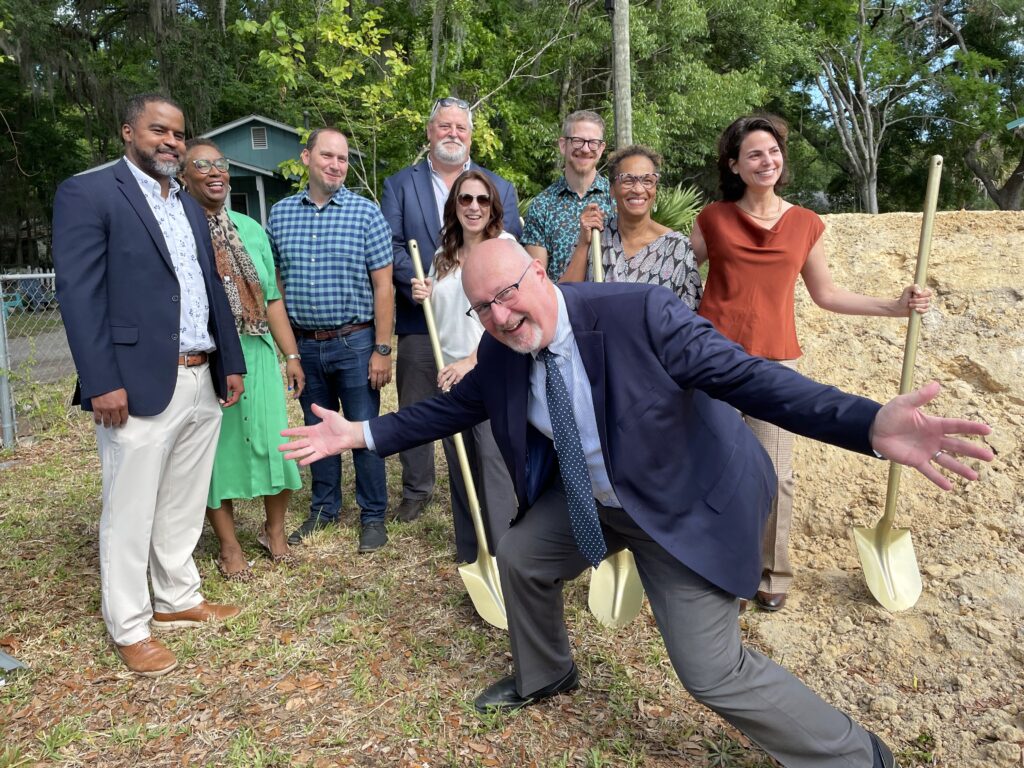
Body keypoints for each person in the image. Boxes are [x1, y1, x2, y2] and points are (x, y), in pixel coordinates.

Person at [280, 238, 992, 768]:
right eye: (483, 307)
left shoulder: (640, 314)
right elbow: (450, 410)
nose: (500, 315)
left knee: (713, 672)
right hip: (599, 500)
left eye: (509, 294)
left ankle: (856, 755)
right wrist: (361, 432)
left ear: (540, 271)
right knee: (522, 556)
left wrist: (866, 423)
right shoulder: (500, 350)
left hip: (684, 507)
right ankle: (548, 671)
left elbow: (751, 380)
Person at [691, 114, 932, 613]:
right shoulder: (711, 219)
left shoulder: (805, 223)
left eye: (773, 151)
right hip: (709, 362)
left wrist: (894, 304)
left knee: (775, 474)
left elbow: (826, 294)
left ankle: (772, 572)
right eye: (754, 154)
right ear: (735, 165)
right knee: (712, 470)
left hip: (772, 367)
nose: (766, 160)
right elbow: (671, 270)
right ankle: (719, 571)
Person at [52, 93, 246, 677]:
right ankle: (130, 625)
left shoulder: (186, 202)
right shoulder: (88, 193)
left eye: (179, 134)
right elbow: (79, 294)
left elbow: (210, 287)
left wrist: (228, 359)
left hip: (198, 372)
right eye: (158, 131)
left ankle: (177, 597)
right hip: (134, 384)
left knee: (183, 499)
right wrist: (100, 379)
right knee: (130, 509)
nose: (170, 142)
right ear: (127, 132)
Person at [381, 97, 522, 524]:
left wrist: (477, 357)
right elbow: (390, 247)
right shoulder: (401, 187)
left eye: (461, 128)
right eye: (445, 126)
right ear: (429, 132)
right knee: (426, 414)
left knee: (488, 442)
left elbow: (506, 268)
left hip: (485, 342)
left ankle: (502, 523)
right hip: (424, 323)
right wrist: (414, 279)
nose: (453, 134)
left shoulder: (500, 187)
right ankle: (420, 491)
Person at [180, 138, 304, 580]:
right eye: (202, 165)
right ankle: (229, 546)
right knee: (219, 453)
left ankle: (275, 533)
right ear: (183, 174)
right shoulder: (179, 228)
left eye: (221, 164)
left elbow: (271, 297)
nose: (215, 172)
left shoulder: (250, 229)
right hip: (212, 356)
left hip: (258, 350)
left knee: (278, 443)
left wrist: (291, 354)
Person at [266, 127, 394, 554]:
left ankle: (373, 515)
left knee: (362, 432)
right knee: (317, 430)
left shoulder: (365, 213)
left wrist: (381, 348)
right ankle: (323, 508)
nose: (336, 165)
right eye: (327, 156)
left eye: (342, 158)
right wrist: (290, 354)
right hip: (305, 344)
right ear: (306, 158)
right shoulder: (281, 215)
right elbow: (276, 288)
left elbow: (384, 287)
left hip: (355, 344)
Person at [409, 170, 517, 562]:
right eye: (465, 199)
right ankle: (472, 555)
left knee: (493, 466)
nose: (474, 207)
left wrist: (473, 360)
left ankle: (507, 555)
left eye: (482, 200)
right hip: (449, 374)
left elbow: (510, 316)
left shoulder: (505, 247)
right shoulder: (442, 255)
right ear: (454, 205)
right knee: (461, 468)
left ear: (493, 207)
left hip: (488, 370)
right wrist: (427, 293)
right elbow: (449, 316)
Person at [559, 145, 702, 310]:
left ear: (655, 188)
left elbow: (690, 318)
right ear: (612, 189)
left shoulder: (677, 248)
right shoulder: (596, 236)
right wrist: (584, 244)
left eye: (647, 180)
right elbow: (564, 299)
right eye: (627, 180)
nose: (638, 189)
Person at [521, 110, 614, 281]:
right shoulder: (542, 205)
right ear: (563, 145)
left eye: (593, 143)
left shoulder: (617, 199)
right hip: (562, 305)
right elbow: (537, 281)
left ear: (601, 149)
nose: (585, 149)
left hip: (611, 304)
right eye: (577, 141)